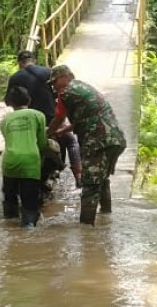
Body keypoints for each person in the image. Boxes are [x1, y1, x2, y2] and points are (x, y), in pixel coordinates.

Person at [46, 64, 126, 225]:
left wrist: (47, 133)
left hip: (98, 141)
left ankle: (86, 228)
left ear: (64, 77)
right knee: (101, 178)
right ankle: (106, 217)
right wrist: (63, 131)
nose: (54, 87)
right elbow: (86, 118)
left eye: (54, 82)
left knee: (90, 183)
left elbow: (59, 117)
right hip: (115, 139)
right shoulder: (83, 88)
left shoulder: (67, 92)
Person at [8, 50, 80, 186]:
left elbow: (8, 101)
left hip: (28, 120)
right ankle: (75, 174)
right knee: (70, 141)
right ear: (34, 60)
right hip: (51, 117)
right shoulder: (48, 72)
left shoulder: (15, 77)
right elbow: (58, 94)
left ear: (19, 63)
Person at [0, 86, 48, 227]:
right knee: (29, 202)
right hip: (30, 161)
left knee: (10, 201)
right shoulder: (38, 115)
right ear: (29, 100)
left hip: (9, 162)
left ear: (10, 103)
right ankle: (28, 228)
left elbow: (8, 140)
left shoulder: (5, 120)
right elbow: (42, 143)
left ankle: (9, 228)